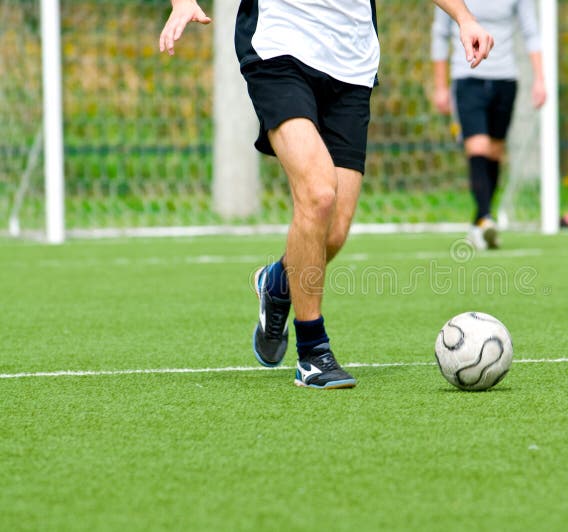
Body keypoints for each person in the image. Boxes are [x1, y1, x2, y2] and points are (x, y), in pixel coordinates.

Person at [159, 0, 493, 389]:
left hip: (352, 62)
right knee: (318, 194)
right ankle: (313, 354)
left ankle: (277, 282)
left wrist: (465, 18)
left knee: (331, 234)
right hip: (278, 48)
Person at [431, 0, 546, 249]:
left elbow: (530, 31)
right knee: (478, 147)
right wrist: (440, 86)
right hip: (467, 77)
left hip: (505, 78)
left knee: (494, 151)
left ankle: (480, 220)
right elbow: (439, 34)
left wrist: (540, 78)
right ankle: (485, 219)